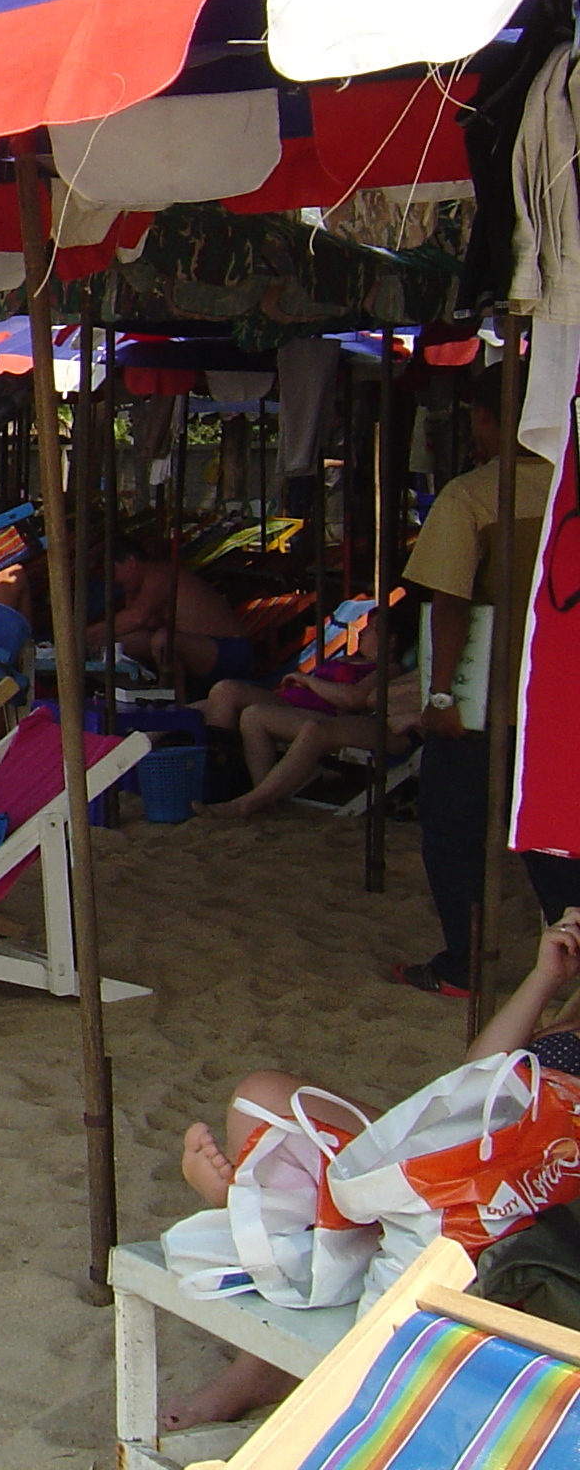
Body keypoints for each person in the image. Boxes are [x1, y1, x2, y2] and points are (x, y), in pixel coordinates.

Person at [160, 909, 580, 1432]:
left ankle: (258, 1232)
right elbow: (472, 1079)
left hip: (522, 1206)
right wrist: (546, 979)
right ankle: (264, 1213)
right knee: (261, 1098)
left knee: (410, 1210)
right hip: (458, 1152)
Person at [397, 370, 565, 997]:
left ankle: (464, 967)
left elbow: (451, 604)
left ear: (492, 419)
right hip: (559, 699)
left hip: (487, 703)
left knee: (455, 832)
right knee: (551, 835)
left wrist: (439, 695)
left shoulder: (473, 496)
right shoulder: (567, 491)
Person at [190, 614, 419, 818]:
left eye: (371, 629)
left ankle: (228, 788)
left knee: (230, 694)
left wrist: (309, 681)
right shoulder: (348, 660)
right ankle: (260, 794)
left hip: (320, 713)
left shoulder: (388, 669)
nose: (362, 632)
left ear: (391, 640)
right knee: (243, 711)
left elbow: (356, 699)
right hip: (294, 703)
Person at [88, 537, 251, 693]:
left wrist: (81, 636)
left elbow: (136, 618)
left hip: (229, 651)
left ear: (131, 562)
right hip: (197, 649)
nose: (112, 580)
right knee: (119, 643)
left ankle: (175, 701)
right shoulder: (136, 588)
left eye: (113, 571)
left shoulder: (161, 573)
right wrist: (95, 641)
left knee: (163, 640)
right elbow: (133, 630)